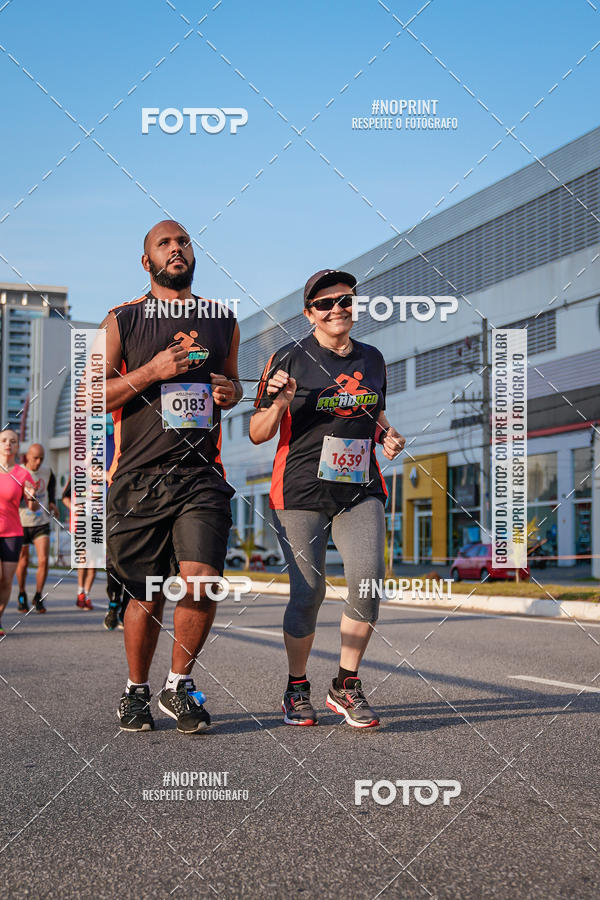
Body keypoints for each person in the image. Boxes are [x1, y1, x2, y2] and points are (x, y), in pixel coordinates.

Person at [250, 269, 405, 728]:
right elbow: (258, 432)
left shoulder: (373, 358)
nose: (337, 308)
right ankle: (296, 687)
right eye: (325, 303)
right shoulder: (288, 358)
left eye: (345, 300)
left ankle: (345, 683)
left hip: (359, 489)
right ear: (309, 313)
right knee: (309, 591)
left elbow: (375, 415)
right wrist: (281, 403)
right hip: (300, 491)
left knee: (367, 584)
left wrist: (388, 436)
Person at [104, 219, 241, 733]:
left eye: (182, 241)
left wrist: (230, 392)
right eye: (164, 244)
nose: (176, 248)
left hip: (201, 474)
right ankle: (136, 690)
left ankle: (178, 685)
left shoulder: (222, 320)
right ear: (147, 262)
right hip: (139, 475)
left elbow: (232, 385)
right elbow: (92, 395)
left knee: (202, 583)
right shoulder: (121, 319)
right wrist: (151, 372)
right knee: (146, 593)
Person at [0, 430, 37, 636]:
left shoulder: (23, 474)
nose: (8, 444)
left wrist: (31, 496)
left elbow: (33, 508)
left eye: (12, 441)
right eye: (4, 440)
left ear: (17, 447)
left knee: (6, 580)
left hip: (13, 532)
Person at [15, 443, 59, 614]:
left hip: (41, 521)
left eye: (42, 458)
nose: (39, 462)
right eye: (35, 458)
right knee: (23, 562)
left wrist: (52, 503)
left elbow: (51, 488)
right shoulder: (18, 472)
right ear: (27, 456)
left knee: (43, 560)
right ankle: (21, 593)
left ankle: (38, 596)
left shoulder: (47, 472)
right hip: (21, 522)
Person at [61, 477, 96, 609]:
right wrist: (74, 508)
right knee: (84, 557)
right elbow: (65, 497)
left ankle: (86, 595)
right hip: (81, 523)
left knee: (93, 562)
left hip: (97, 524)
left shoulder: (102, 477)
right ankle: (80, 592)